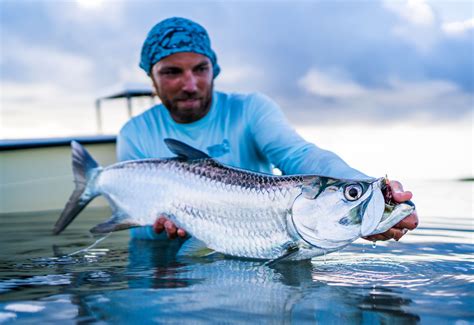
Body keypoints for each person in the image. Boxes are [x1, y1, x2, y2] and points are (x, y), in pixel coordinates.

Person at [117, 17, 418, 242]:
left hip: (270, 246)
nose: (190, 84)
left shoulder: (250, 109)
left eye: (200, 69)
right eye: (172, 72)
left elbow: (299, 155)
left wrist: (365, 188)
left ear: (214, 69)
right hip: (167, 266)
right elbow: (136, 212)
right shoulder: (133, 133)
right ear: (151, 77)